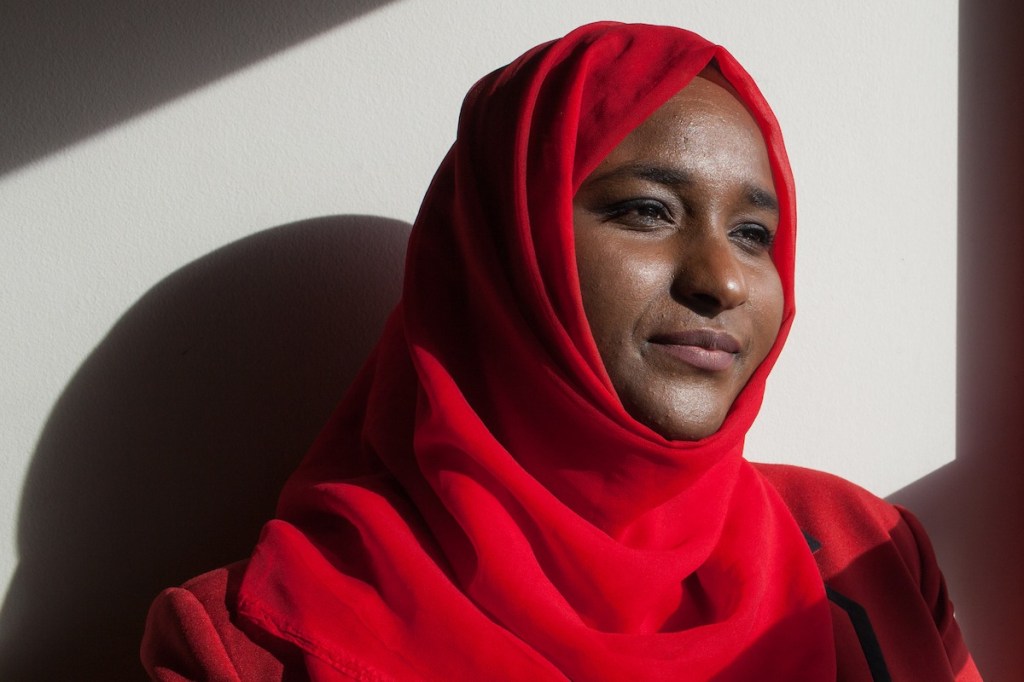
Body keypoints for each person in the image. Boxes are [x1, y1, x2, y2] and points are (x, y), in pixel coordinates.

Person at [141, 22, 980, 681]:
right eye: (648, 211)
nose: (724, 280)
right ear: (505, 250)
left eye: (755, 233)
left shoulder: (873, 553)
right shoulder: (248, 650)